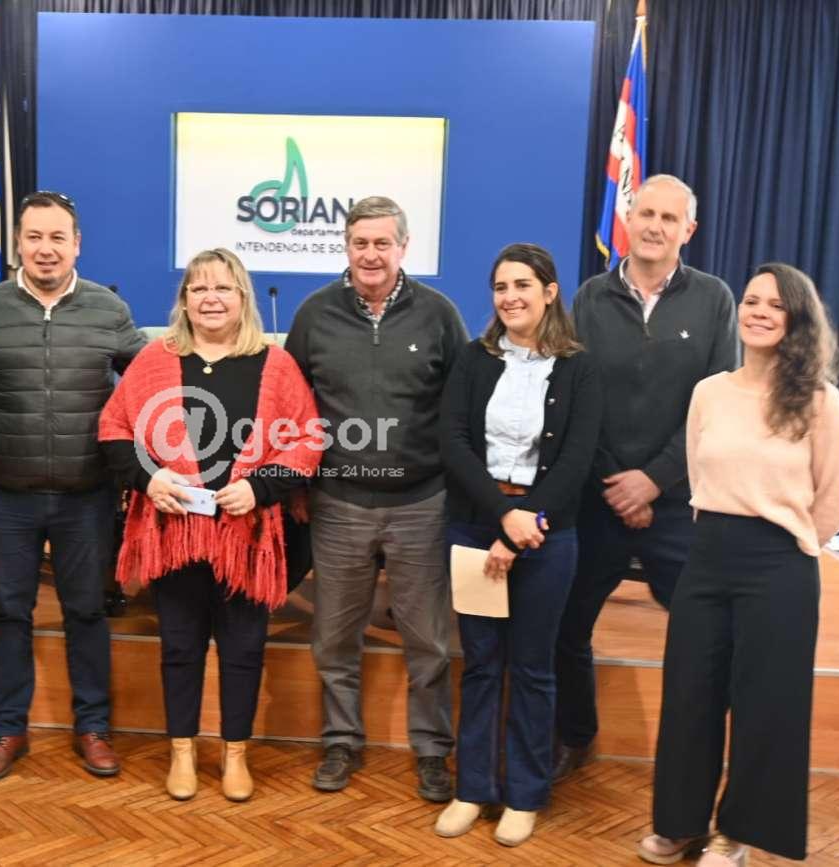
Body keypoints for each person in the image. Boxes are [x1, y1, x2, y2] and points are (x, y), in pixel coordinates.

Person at [638, 263, 839, 866]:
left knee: (765, 705)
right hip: (707, 557)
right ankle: (680, 824)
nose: (759, 312)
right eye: (752, 301)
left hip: (779, 565)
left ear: (796, 320)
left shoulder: (819, 401)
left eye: (775, 305)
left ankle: (736, 835)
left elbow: (835, 500)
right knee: (690, 696)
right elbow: (699, 474)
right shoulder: (709, 393)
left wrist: (785, 545)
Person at [98, 248, 322, 801]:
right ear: (184, 300)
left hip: (248, 537)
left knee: (244, 648)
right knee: (180, 646)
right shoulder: (155, 359)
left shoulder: (274, 364)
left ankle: (234, 753)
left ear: (242, 297)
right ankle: (182, 751)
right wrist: (150, 479)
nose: (211, 298)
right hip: (175, 532)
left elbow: (306, 438)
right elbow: (114, 429)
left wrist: (260, 487)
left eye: (222, 288)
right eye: (198, 289)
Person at [0, 191, 147, 783]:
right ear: (18, 242)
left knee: (86, 612)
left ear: (76, 244)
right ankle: (7, 730)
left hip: (86, 495)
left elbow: (152, 382)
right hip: (6, 495)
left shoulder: (108, 310)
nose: (45, 249)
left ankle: (93, 728)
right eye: (34, 237)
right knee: (8, 613)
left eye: (57, 237)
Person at [553, 174, 740, 779]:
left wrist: (654, 481)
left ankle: (690, 757)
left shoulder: (714, 299)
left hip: (680, 505)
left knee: (702, 640)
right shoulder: (590, 297)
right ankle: (574, 737)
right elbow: (577, 398)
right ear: (628, 220)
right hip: (599, 499)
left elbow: (718, 405)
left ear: (689, 230)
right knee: (565, 628)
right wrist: (618, 483)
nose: (655, 226)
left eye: (669, 218)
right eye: (646, 213)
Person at [285, 195, 470, 801]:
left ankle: (432, 750)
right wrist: (299, 484)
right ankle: (341, 740)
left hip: (422, 503)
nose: (371, 254)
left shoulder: (439, 315)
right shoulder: (315, 314)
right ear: (346, 246)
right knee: (334, 638)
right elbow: (292, 406)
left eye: (382, 243)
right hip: (338, 502)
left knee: (429, 641)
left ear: (403, 247)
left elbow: (462, 407)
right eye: (360, 243)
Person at [433, 243, 602, 847]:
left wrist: (527, 521)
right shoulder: (473, 359)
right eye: (501, 287)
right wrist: (504, 517)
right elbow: (453, 442)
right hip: (477, 524)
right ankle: (472, 788)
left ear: (550, 292)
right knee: (481, 664)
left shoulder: (579, 368)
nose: (510, 297)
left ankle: (526, 794)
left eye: (523, 285)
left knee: (533, 666)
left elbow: (577, 458)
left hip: (549, 533)